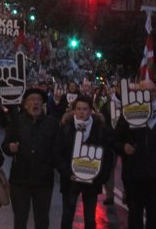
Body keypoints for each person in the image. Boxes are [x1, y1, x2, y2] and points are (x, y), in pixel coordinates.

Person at [113, 81, 156, 229]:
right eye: (143, 90)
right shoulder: (128, 114)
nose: (148, 94)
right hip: (133, 175)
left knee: (154, 215)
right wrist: (123, 147)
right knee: (135, 215)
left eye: (151, 91)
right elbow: (114, 140)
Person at [2, 87, 65, 229]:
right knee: (20, 219)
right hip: (20, 180)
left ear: (43, 104)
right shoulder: (17, 122)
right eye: (32, 99)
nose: (35, 103)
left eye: (39, 100)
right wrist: (10, 147)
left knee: (42, 220)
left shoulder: (52, 124)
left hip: (43, 181)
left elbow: (58, 151)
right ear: (25, 104)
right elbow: (5, 145)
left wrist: (65, 171)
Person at [60, 96, 112, 229]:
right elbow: (58, 154)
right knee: (67, 217)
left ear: (90, 111)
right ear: (74, 110)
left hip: (92, 182)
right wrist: (67, 173)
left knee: (90, 219)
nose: (81, 112)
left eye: (85, 109)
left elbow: (107, 156)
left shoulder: (100, 129)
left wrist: (101, 177)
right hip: (70, 181)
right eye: (78, 109)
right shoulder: (66, 128)